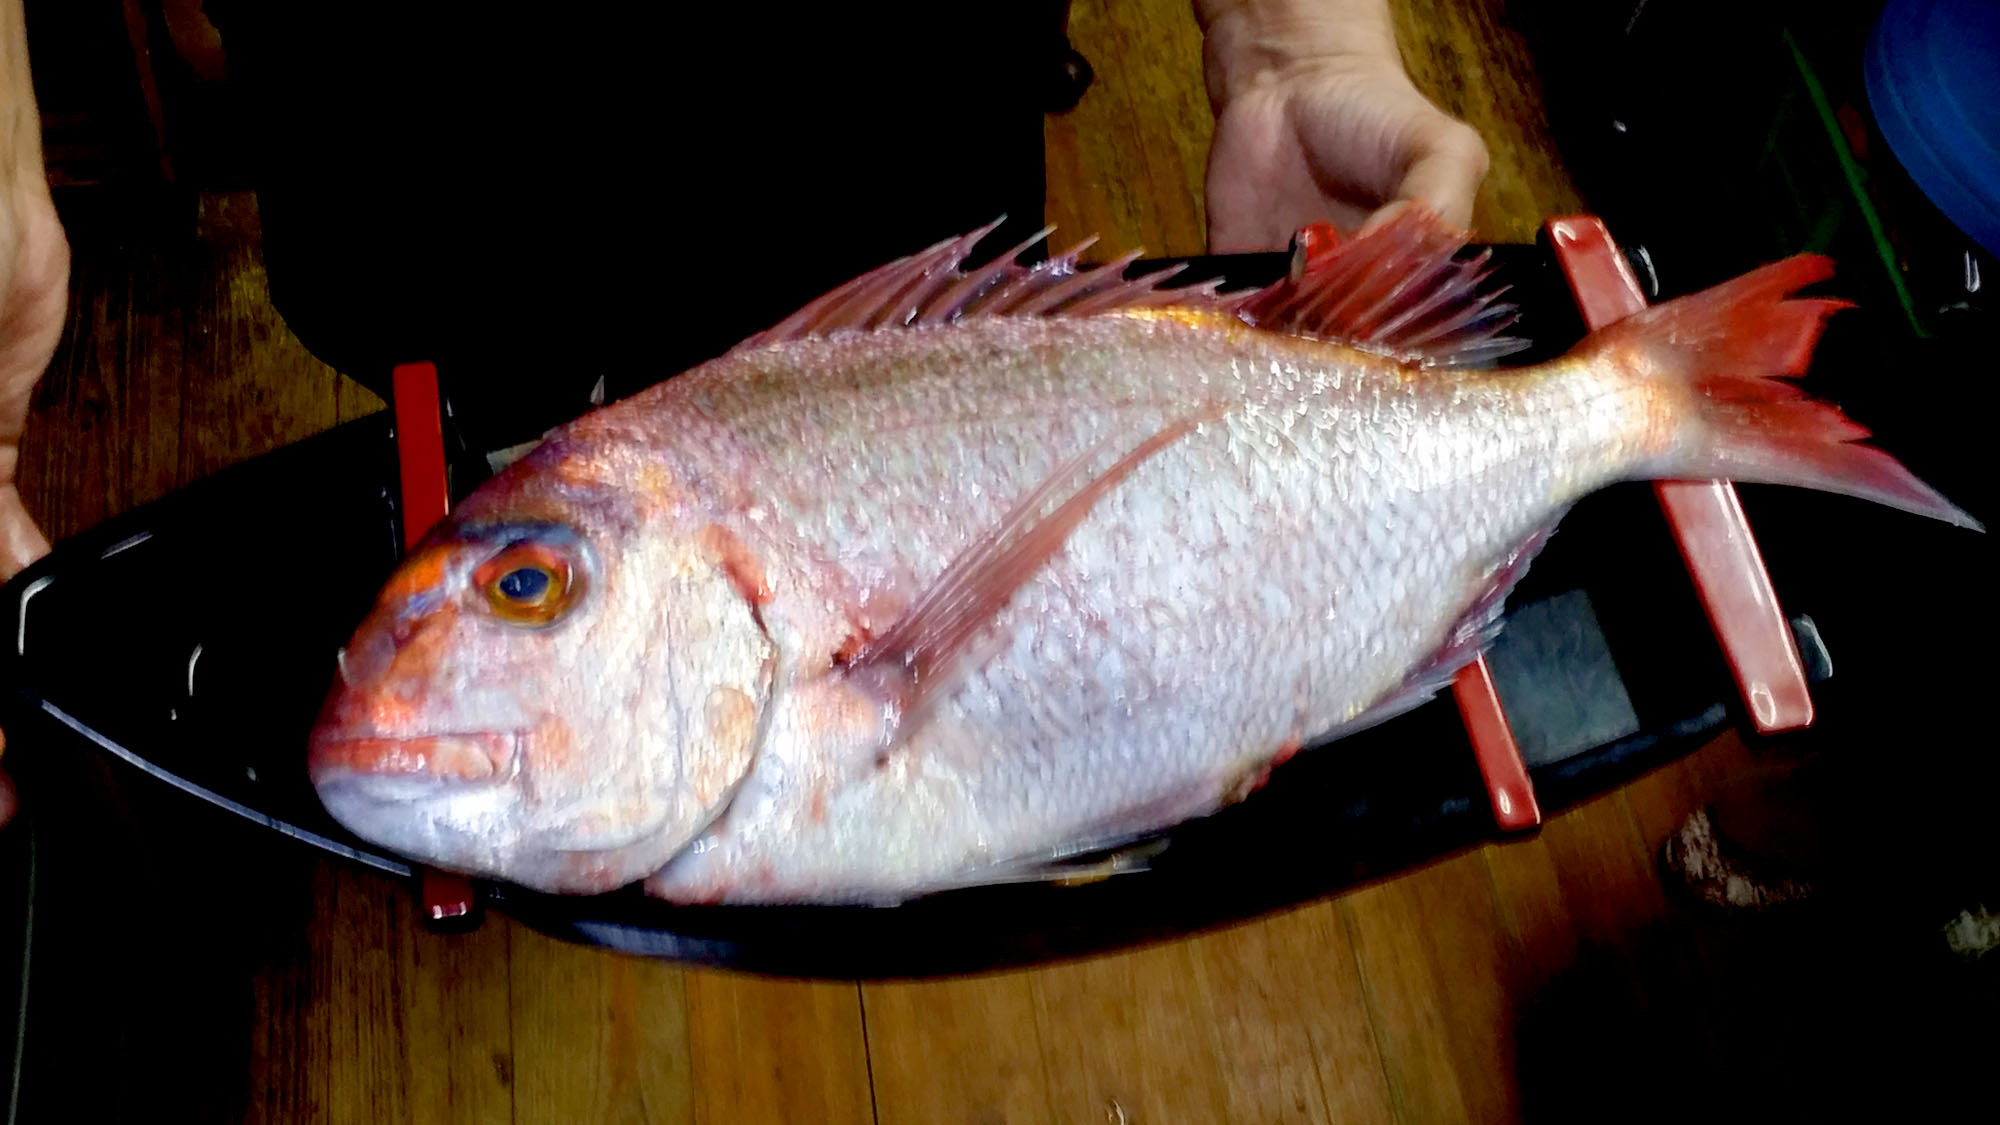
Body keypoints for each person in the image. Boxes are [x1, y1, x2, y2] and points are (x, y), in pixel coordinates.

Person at [0, 0, 1487, 827]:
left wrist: (1297, 41)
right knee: (493, 416)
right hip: (421, 111)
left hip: (867, 110)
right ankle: (572, 713)